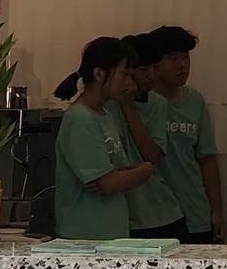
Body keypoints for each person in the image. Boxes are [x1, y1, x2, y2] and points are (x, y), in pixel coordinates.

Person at [51, 37, 157, 242]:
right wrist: (145, 170)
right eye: (124, 74)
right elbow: (108, 183)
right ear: (99, 74)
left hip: (111, 233)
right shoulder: (81, 118)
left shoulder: (105, 114)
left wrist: (122, 176)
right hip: (86, 237)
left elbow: (118, 172)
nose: (130, 83)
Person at [147, 24, 224, 243]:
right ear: (155, 63)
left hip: (195, 213)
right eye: (173, 58)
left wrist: (217, 210)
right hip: (155, 217)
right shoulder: (143, 103)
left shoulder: (195, 101)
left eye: (185, 57)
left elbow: (207, 159)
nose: (182, 65)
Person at [113, 32, 189, 241]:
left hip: (161, 211)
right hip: (124, 215)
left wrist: (129, 108)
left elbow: (151, 156)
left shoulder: (157, 103)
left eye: (155, 67)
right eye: (144, 70)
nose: (151, 75)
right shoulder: (107, 103)